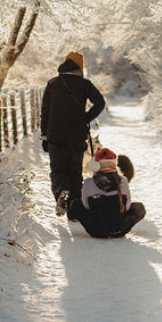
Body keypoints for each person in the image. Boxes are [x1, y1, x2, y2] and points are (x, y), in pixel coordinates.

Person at [40, 50, 105, 217]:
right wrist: (85, 118)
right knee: (75, 172)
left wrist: (44, 136)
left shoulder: (53, 83)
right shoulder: (84, 84)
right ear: (80, 67)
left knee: (58, 170)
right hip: (76, 135)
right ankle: (74, 211)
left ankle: (61, 191)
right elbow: (100, 102)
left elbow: (45, 112)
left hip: (55, 135)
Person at [72, 147, 146, 239]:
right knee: (139, 207)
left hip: (95, 230)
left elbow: (86, 206)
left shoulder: (88, 182)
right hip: (121, 229)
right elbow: (126, 207)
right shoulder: (123, 181)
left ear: (95, 166)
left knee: (75, 204)